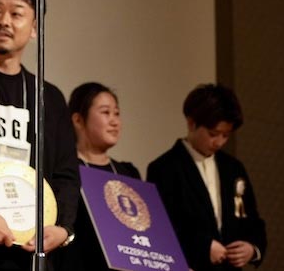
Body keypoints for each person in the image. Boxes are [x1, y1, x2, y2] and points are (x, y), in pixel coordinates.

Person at [0, 0, 80, 270]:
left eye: (17, 13)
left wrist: (63, 228)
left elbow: (67, 174)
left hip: (32, 249)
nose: (4, 21)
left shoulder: (50, 97)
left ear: (34, 28)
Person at [146, 84, 267, 270]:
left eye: (226, 135)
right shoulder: (164, 168)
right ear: (191, 123)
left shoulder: (233, 168)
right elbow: (161, 228)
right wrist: (202, 246)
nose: (219, 142)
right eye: (213, 134)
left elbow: (253, 220)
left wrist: (252, 248)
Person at [57, 82, 141, 271]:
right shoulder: (65, 172)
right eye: (105, 112)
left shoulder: (128, 173)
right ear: (78, 120)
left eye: (117, 113)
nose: (114, 121)